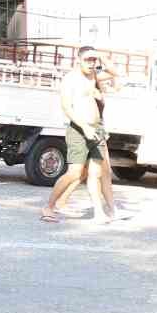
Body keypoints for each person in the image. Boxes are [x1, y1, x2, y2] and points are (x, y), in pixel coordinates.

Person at [39, 45, 120, 224]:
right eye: (88, 60)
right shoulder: (70, 79)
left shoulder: (93, 76)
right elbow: (66, 107)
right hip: (79, 130)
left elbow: (114, 72)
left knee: (95, 174)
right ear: (78, 60)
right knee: (75, 173)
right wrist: (84, 127)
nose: (91, 64)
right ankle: (49, 207)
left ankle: (99, 212)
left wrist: (100, 55)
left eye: (94, 60)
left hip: (97, 130)